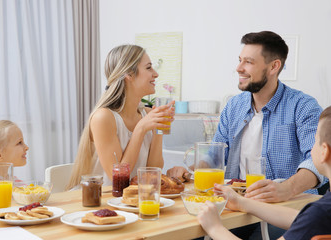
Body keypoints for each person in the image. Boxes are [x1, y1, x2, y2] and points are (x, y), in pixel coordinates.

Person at [167, 31, 324, 239]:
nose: (239, 68)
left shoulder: (303, 106)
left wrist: (286, 188)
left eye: (248, 62)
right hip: (237, 205)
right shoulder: (234, 105)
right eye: (240, 60)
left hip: (287, 210)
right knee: (188, 234)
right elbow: (216, 154)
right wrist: (190, 172)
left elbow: (317, 162)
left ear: (274, 66)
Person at [198, 105, 331, 240]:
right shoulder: (323, 208)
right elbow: (301, 219)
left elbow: (310, 219)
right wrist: (240, 202)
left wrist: (215, 228)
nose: (311, 146)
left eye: (315, 140)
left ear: (324, 151)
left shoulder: (320, 213)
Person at [66, 44, 175, 189]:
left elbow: (152, 175)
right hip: (99, 202)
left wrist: (159, 128)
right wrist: (141, 128)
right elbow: (119, 180)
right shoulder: (103, 118)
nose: (156, 74)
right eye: (148, 68)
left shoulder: (147, 114)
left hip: (133, 201)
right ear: (129, 74)